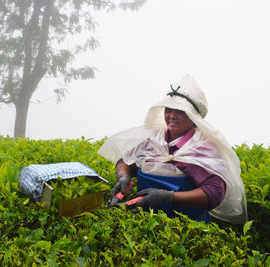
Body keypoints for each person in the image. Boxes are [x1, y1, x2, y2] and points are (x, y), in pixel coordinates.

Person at [98, 74, 247, 224]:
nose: (172, 115)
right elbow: (126, 160)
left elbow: (214, 193)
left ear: (193, 117)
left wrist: (168, 197)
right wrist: (124, 176)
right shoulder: (153, 140)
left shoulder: (204, 150)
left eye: (180, 111)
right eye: (168, 110)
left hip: (188, 227)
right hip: (146, 224)